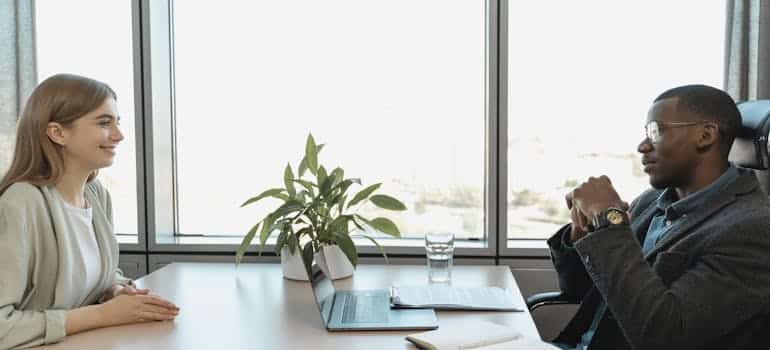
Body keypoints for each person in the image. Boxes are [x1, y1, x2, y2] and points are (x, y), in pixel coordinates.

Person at [548, 84, 770, 349]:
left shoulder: (752, 228)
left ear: (705, 135)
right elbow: (578, 287)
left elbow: (664, 335)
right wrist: (582, 230)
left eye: (656, 131)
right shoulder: (653, 201)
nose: (642, 146)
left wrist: (610, 221)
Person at [0, 74, 179, 349]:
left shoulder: (96, 196)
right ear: (58, 133)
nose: (119, 135)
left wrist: (115, 290)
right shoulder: (20, 203)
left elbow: (92, 277)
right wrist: (102, 315)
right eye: (104, 123)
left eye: (118, 122)